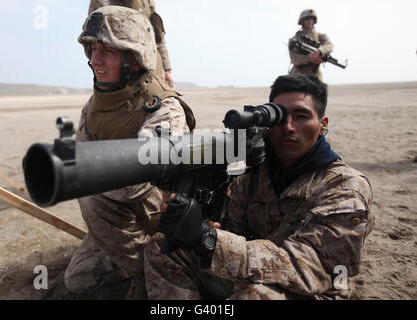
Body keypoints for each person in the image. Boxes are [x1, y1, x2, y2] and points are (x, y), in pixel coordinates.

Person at [143, 74, 375, 300]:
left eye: (302, 116)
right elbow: (234, 230)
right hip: (258, 271)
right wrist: (202, 215)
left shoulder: (346, 187)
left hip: (317, 287)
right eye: (280, 117)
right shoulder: (257, 171)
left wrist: (209, 239)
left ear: (322, 125)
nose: (288, 127)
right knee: (164, 248)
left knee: (256, 295)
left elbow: (311, 267)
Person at [62, 6, 195, 299]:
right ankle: (141, 259)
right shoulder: (97, 104)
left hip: (161, 210)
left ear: (134, 58)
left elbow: (137, 182)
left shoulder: (163, 108)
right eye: (93, 49)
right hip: (120, 211)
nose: (95, 59)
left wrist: (87, 179)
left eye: (106, 50)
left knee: (94, 196)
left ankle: (160, 269)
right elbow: (81, 154)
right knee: (79, 279)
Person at [88, 0, 174, 87]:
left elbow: (158, 36)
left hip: (154, 68)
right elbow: (94, 39)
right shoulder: (101, 2)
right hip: (124, 74)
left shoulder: (148, 2)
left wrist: (167, 69)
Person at [288, 9, 334, 81]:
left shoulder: (320, 36)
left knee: (322, 91)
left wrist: (319, 51)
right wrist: (308, 58)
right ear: (302, 21)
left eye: (312, 19)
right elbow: (294, 59)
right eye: (307, 19)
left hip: (315, 75)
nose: (310, 21)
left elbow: (330, 45)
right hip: (297, 75)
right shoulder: (294, 40)